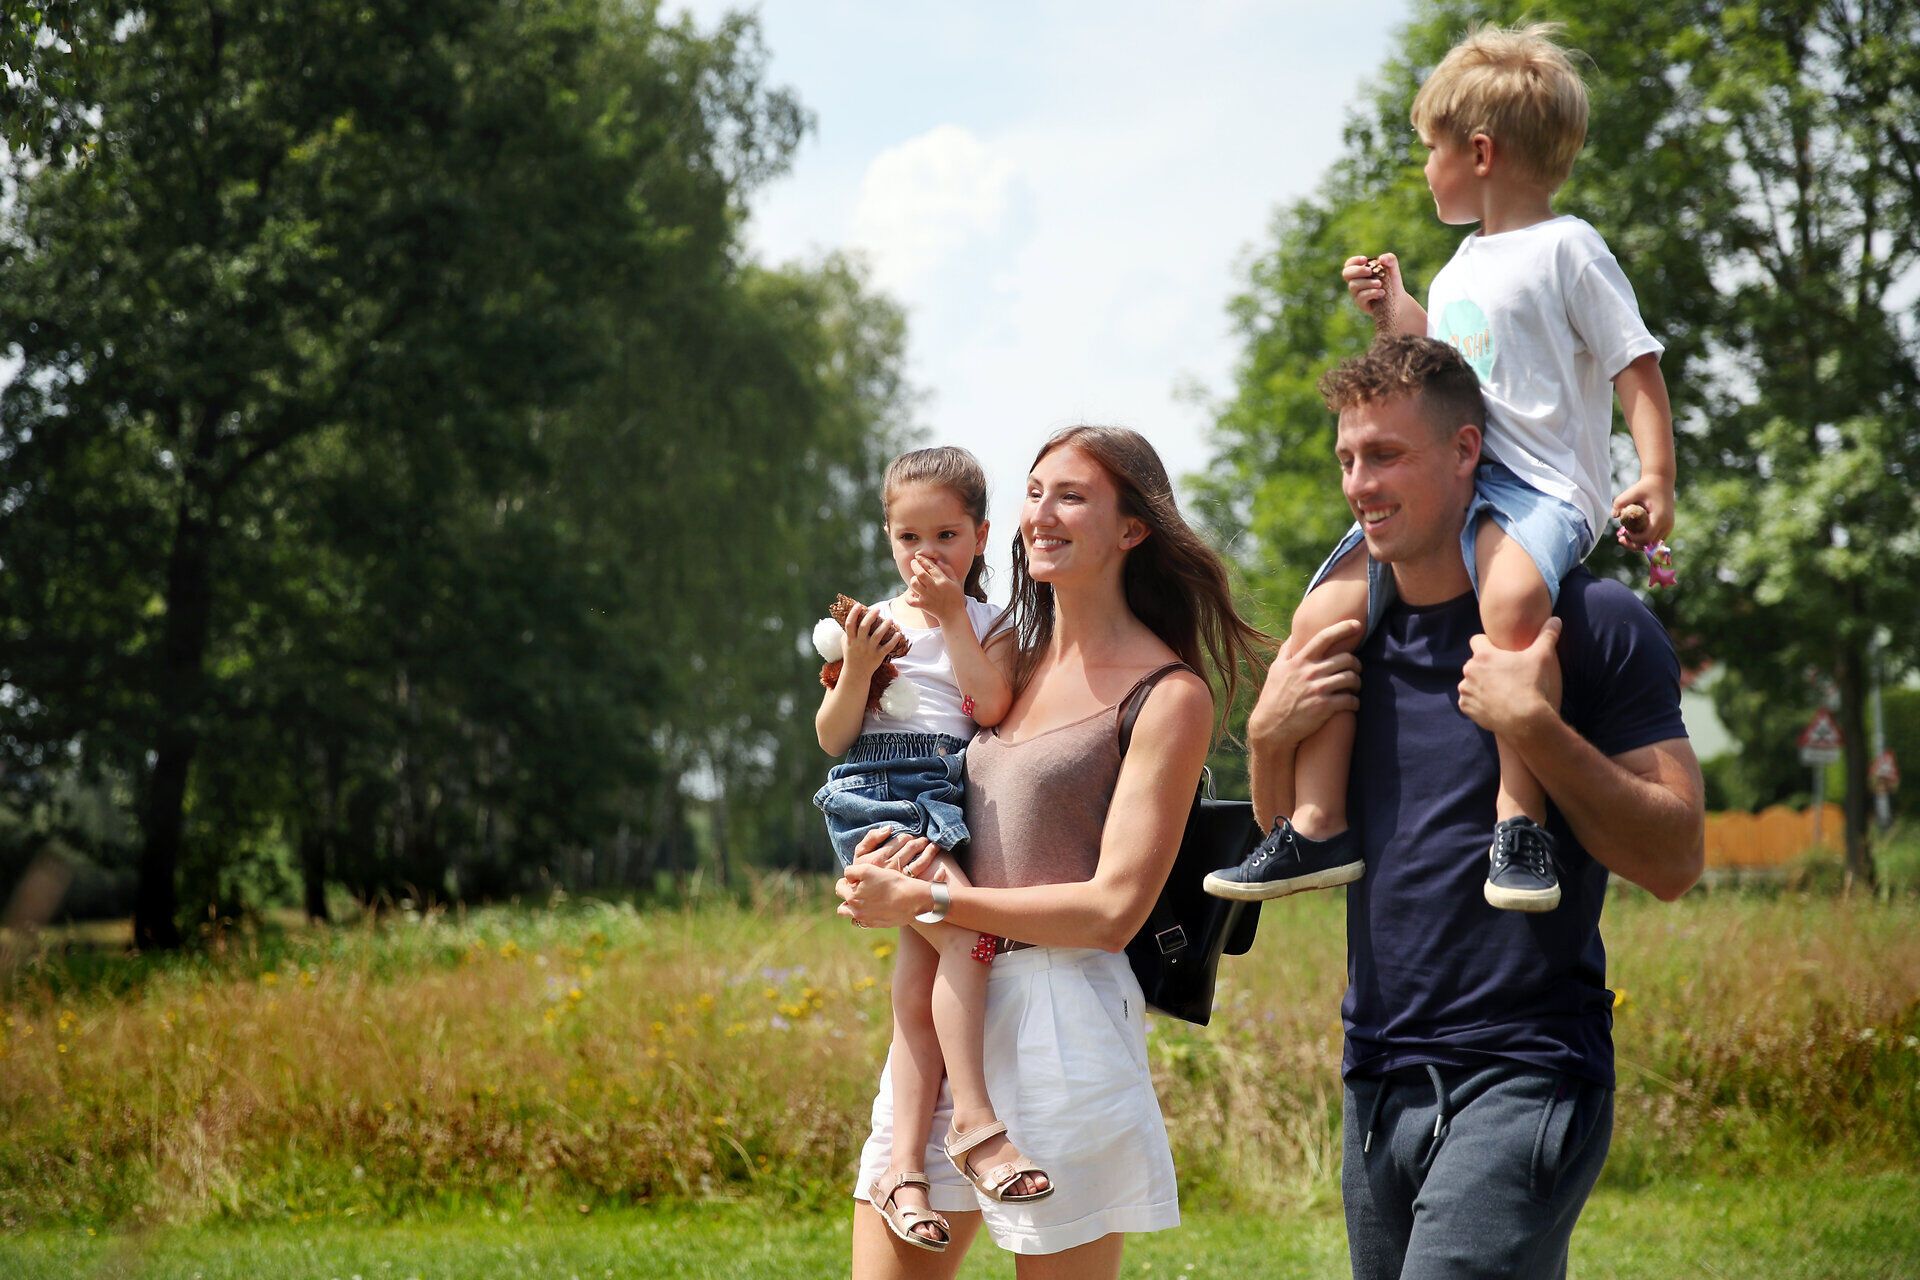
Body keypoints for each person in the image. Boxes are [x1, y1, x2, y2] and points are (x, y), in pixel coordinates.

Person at [1243, 337, 1704, 1278]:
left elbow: (1675, 858)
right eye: (1347, 458)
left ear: (1466, 454)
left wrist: (1533, 726)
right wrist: (1264, 739)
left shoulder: (1596, 623)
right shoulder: (1347, 639)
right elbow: (1286, 836)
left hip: (1526, 1067)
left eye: (1386, 455)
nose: (1359, 484)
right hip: (1375, 1076)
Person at [1207, 23, 1677, 914]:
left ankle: (1517, 820)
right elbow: (1446, 382)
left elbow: (1636, 366)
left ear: (1482, 152)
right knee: (1321, 613)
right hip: (1462, 482)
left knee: (1506, 602)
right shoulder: (1462, 265)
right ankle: (1315, 823)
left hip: (1540, 487)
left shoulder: (1570, 248)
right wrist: (1396, 314)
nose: (1426, 168)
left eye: (1430, 149)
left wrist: (1654, 476)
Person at [835, 426, 1268, 1278]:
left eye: (1071, 496)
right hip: (948, 1010)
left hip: (1059, 1014)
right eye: (1033, 492)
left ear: (1132, 530)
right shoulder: (1000, 664)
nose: (1041, 514)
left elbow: (1112, 912)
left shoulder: (1166, 694)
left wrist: (931, 904)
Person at [812, 445, 1049, 1254]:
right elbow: (833, 738)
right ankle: (975, 1122)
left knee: (920, 991)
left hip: (945, 800)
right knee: (970, 940)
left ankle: (901, 1172)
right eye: (908, 537)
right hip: (876, 799)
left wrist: (951, 616)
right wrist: (858, 670)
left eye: (945, 535)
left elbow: (989, 706)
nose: (926, 555)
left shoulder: (992, 624)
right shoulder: (867, 626)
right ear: (887, 537)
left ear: (981, 537)